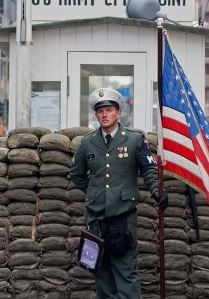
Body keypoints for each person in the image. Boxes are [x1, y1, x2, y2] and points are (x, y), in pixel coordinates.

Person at [70, 88, 168, 299]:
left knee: (126, 275)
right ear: (96, 115)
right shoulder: (87, 143)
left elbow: (149, 169)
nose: (105, 115)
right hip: (95, 219)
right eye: (101, 111)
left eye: (109, 110)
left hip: (122, 218)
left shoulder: (134, 140)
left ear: (118, 113)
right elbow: (76, 175)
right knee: (101, 275)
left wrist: (156, 191)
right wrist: (94, 193)